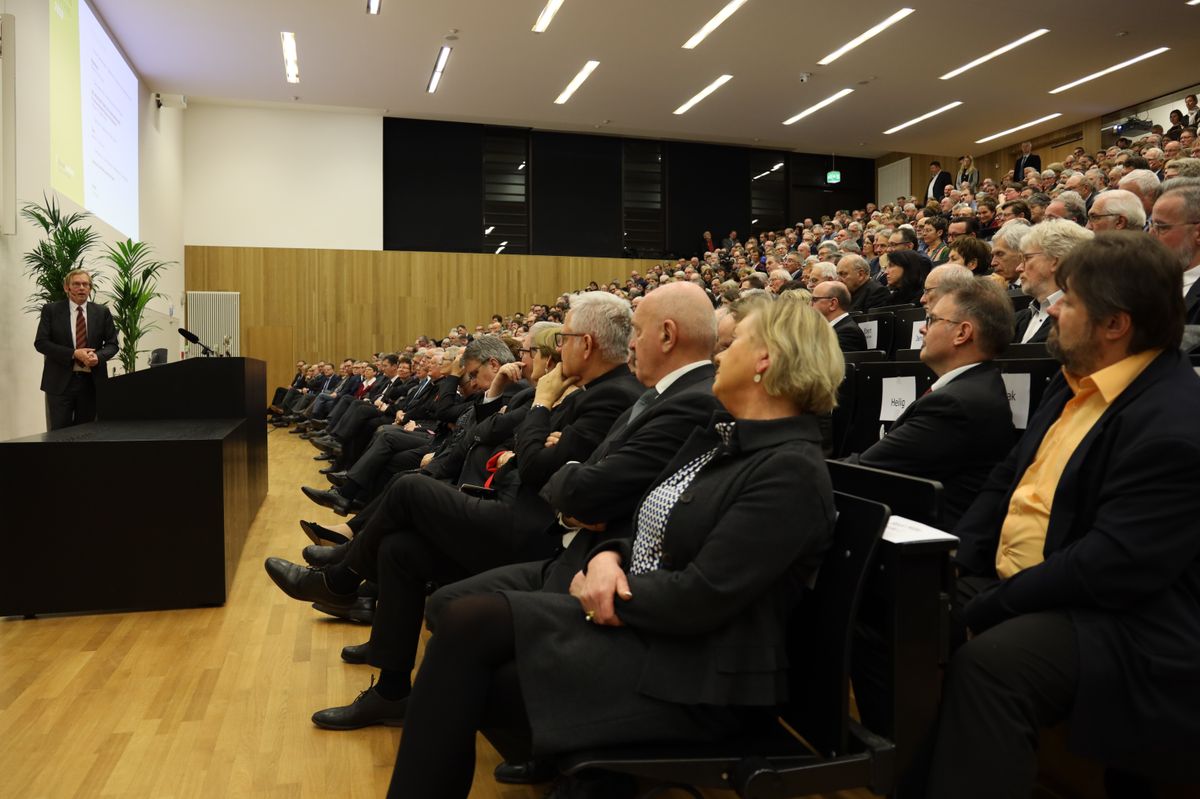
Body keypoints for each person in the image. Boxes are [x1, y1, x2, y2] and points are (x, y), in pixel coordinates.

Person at [386, 293, 843, 798]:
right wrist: (610, 554)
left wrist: (607, 588)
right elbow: (647, 517)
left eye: (734, 344)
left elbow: (704, 596)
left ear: (765, 361)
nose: (718, 354)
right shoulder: (725, 441)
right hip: (644, 628)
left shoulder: (790, 470)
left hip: (694, 674)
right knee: (462, 625)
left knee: (469, 649)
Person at [929, 231, 1200, 798]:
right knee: (896, 605)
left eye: (1068, 300)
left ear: (1114, 324)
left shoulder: (1174, 421)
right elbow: (1008, 478)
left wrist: (995, 603)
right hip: (1031, 582)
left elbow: (1111, 564)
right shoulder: (1070, 380)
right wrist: (956, 560)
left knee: (991, 668)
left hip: (1122, 617)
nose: (1052, 308)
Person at [853, 279, 1016, 527]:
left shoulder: (955, 405)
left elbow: (864, 472)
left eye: (932, 320)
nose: (922, 329)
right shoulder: (971, 388)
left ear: (962, 333)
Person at [33, 268, 120, 430]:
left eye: (85, 284)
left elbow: (112, 344)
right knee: (59, 434)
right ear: (67, 288)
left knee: (87, 434)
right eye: (77, 284)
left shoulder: (102, 312)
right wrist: (73, 353)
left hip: (91, 383)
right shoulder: (51, 310)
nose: (81, 288)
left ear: (90, 288)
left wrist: (98, 357)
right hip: (60, 383)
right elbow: (41, 343)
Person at [1013, 219, 1094, 343]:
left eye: (1027, 258)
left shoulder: (1086, 319)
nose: (1018, 268)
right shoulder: (1018, 319)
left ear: (1055, 261)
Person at [811, 280, 866, 352]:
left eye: (814, 299)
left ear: (832, 304)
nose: (810, 304)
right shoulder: (831, 329)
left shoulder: (847, 332)